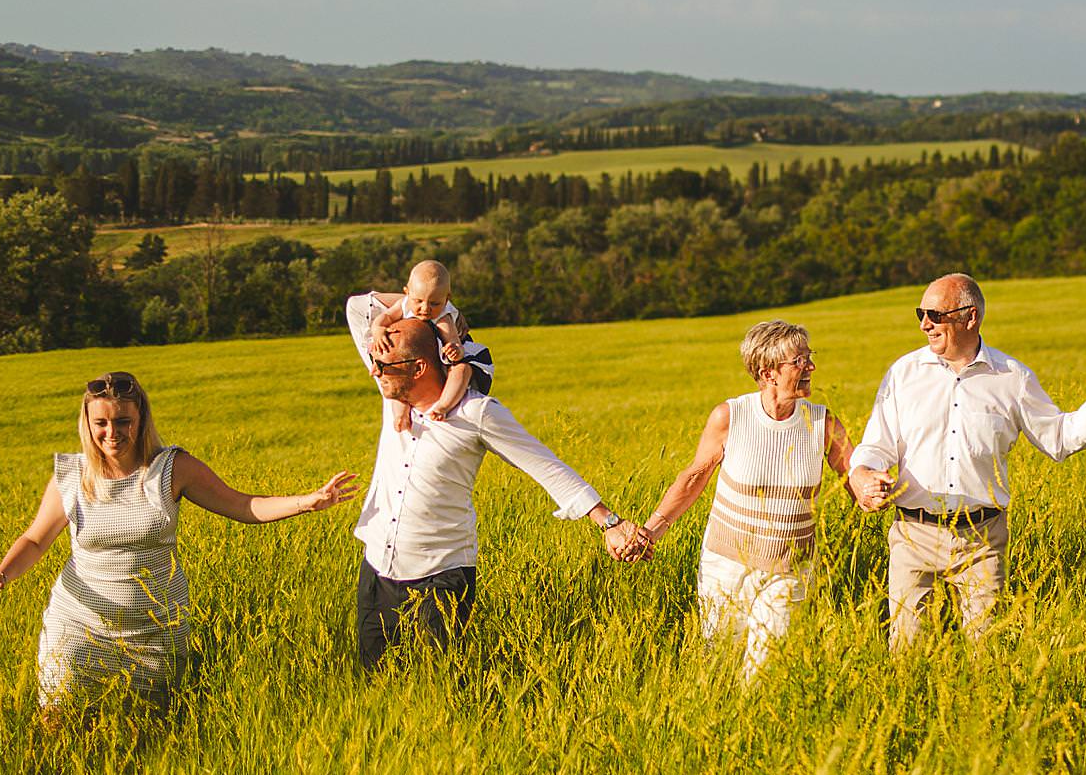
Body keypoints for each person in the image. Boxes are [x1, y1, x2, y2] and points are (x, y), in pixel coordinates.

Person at [0, 371, 357, 712]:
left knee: (148, 731)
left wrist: (308, 501)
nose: (112, 433)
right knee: (59, 723)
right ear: (87, 423)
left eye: (123, 422)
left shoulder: (171, 468)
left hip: (156, 632)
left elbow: (241, 505)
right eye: (101, 423)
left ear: (141, 419)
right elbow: (35, 540)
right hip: (78, 627)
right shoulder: (72, 475)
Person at [345, 297, 650, 669]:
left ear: (420, 367)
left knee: (438, 683)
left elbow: (544, 465)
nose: (374, 372)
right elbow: (359, 307)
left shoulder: (475, 412)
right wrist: (425, 306)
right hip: (377, 567)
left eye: (382, 365)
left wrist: (610, 523)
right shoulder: (393, 389)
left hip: (440, 575)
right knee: (373, 678)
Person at [847, 273, 1086, 647]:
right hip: (913, 536)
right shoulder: (903, 374)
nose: (924, 324)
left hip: (982, 542)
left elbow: (1058, 438)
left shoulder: (1012, 378)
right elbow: (877, 444)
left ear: (970, 317)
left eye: (935, 315)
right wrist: (864, 472)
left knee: (989, 654)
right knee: (906, 652)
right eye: (921, 313)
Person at [639, 319, 855, 678]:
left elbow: (854, 475)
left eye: (809, 357)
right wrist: (651, 531)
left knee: (766, 672)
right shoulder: (731, 416)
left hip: (790, 569)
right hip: (726, 566)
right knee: (720, 664)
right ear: (769, 373)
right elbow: (694, 477)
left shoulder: (822, 422)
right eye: (800, 361)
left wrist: (886, 493)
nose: (811, 368)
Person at [360, 260, 493, 432]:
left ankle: (444, 405)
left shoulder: (444, 318)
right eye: (419, 301)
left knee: (462, 370)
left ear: (447, 299)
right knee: (396, 376)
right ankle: (400, 414)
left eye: (434, 303)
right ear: (407, 293)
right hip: (416, 352)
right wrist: (378, 330)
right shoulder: (405, 304)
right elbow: (383, 318)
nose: (425, 309)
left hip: (440, 356)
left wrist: (454, 351)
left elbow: (455, 343)